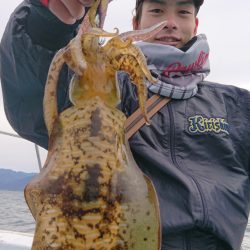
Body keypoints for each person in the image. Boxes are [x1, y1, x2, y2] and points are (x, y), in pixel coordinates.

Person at [1, 0, 250, 249]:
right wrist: (47, 20)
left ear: (195, 24)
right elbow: (33, 89)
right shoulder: (116, 94)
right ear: (136, 23)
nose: (170, 23)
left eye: (183, 12)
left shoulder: (235, 105)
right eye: (157, 11)